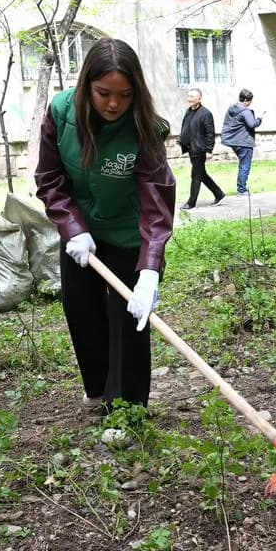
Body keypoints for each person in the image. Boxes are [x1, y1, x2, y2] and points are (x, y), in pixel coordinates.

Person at [35, 37, 176, 413]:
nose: (114, 103)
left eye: (125, 94)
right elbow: (49, 178)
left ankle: (129, 408)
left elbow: (157, 203)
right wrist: (71, 225)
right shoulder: (62, 113)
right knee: (81, 309)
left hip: (129, 235)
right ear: (86, 87)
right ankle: (99, 393)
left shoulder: (145, 128)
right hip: (81, 235)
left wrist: (149, 271)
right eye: (103, 93)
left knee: (128, 320)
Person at [178, 88, 223, 210]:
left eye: (192, 96)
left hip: (200, 149)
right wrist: (181, 139)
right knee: (201, 174)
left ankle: (191, 203)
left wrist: (209, 150)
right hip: (191, 148)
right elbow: (186, 127)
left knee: (196, 176)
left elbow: (210, 133)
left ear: (199, 98)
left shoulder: (205, 113)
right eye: (189, 96)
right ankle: (219, 194)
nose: (189, 99)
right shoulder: (189, 111)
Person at [220, 89, 261, 196]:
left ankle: (241, 188)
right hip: (244, 142)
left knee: (243, 165)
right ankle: (242, 190)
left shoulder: (232, 108)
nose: (250, 104)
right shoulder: (245, 111)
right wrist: (259, 119)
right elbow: (252, 124)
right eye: (250, 101)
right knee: (244, 166)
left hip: (233, 141)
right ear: (247, 100)